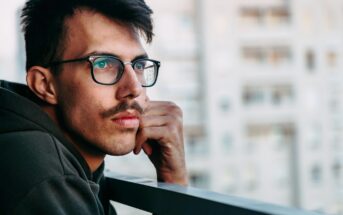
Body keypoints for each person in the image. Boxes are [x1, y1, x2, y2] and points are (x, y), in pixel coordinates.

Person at [0, 0, 187, 214]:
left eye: (138, 65)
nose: (134, 88)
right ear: (45, 85)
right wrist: (178, 183)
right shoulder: (42, 175)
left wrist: (173, 180)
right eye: (103, 64)